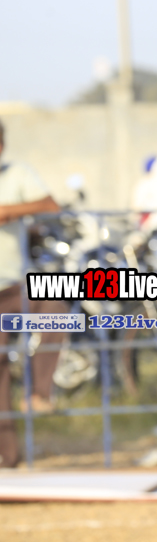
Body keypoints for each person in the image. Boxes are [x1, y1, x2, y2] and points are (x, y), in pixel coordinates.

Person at [0, 120, 64, 467]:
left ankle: (39, 393)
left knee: (57, 306)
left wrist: (10, 211)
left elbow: (51, 204)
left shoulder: (16, 175)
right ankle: (8, 456)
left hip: (16, 284)